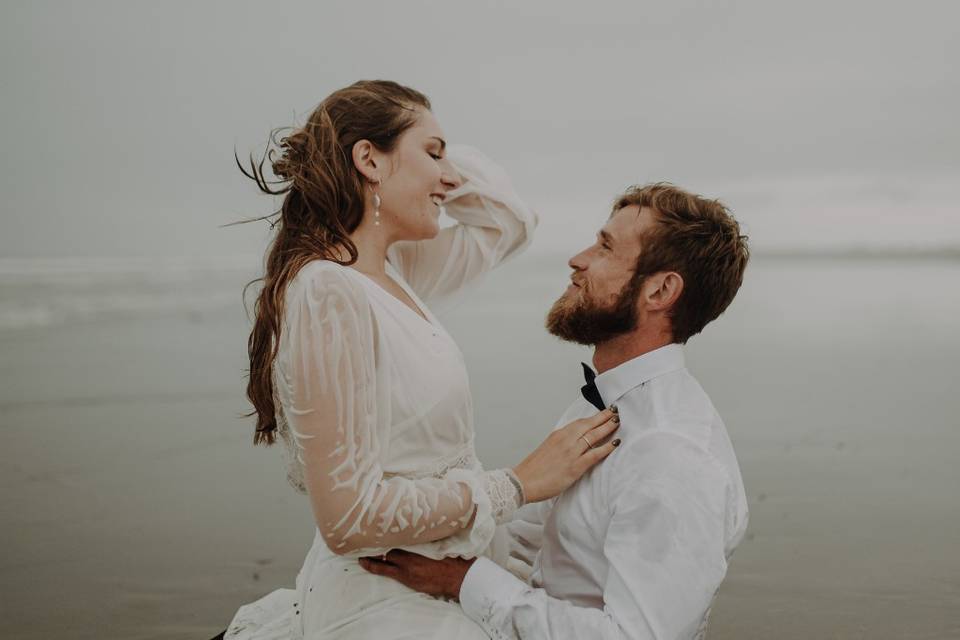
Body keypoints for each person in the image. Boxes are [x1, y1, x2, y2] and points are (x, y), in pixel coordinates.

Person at [217, 80, 620, 640]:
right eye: (433, 153)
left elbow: (510, 222)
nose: (450, 176)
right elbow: (347, 517)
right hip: (385, 604)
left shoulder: (396, 273)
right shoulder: (329, 292)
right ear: (369, 159)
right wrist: (519, 484)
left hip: (443, 581)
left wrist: (437, 171)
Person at [359, 184, 751, 640]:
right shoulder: (604, 403)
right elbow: (534, 538)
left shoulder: (671, 457)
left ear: (660, 290)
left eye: (604, 247)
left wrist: (464, 581)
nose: (577, 259)